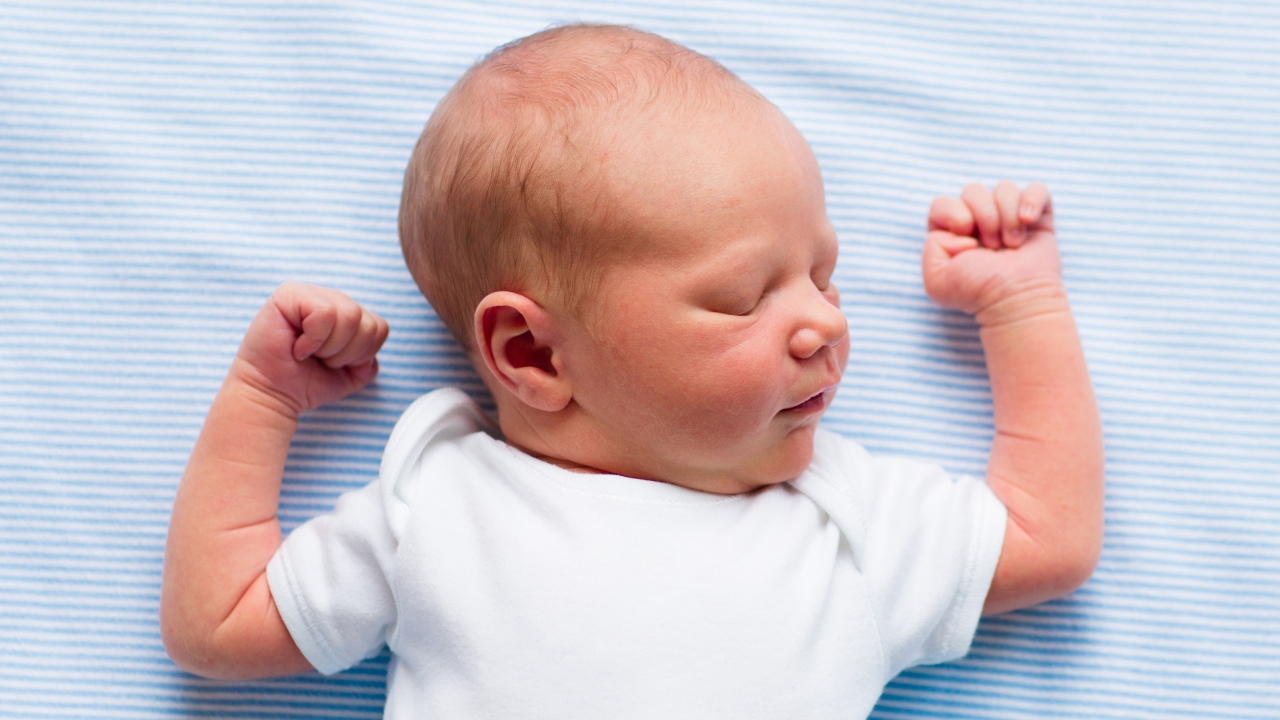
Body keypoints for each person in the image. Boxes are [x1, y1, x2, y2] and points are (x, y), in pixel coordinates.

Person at [161, 23, 1104, 718]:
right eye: (745, 296)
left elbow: (1046, 536)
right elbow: (219, 627)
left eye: (824, 275)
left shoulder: (848, 521)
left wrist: (1021, 308)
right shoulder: (442, 507)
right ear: (531, 353)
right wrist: (264, 401)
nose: (822, 319)